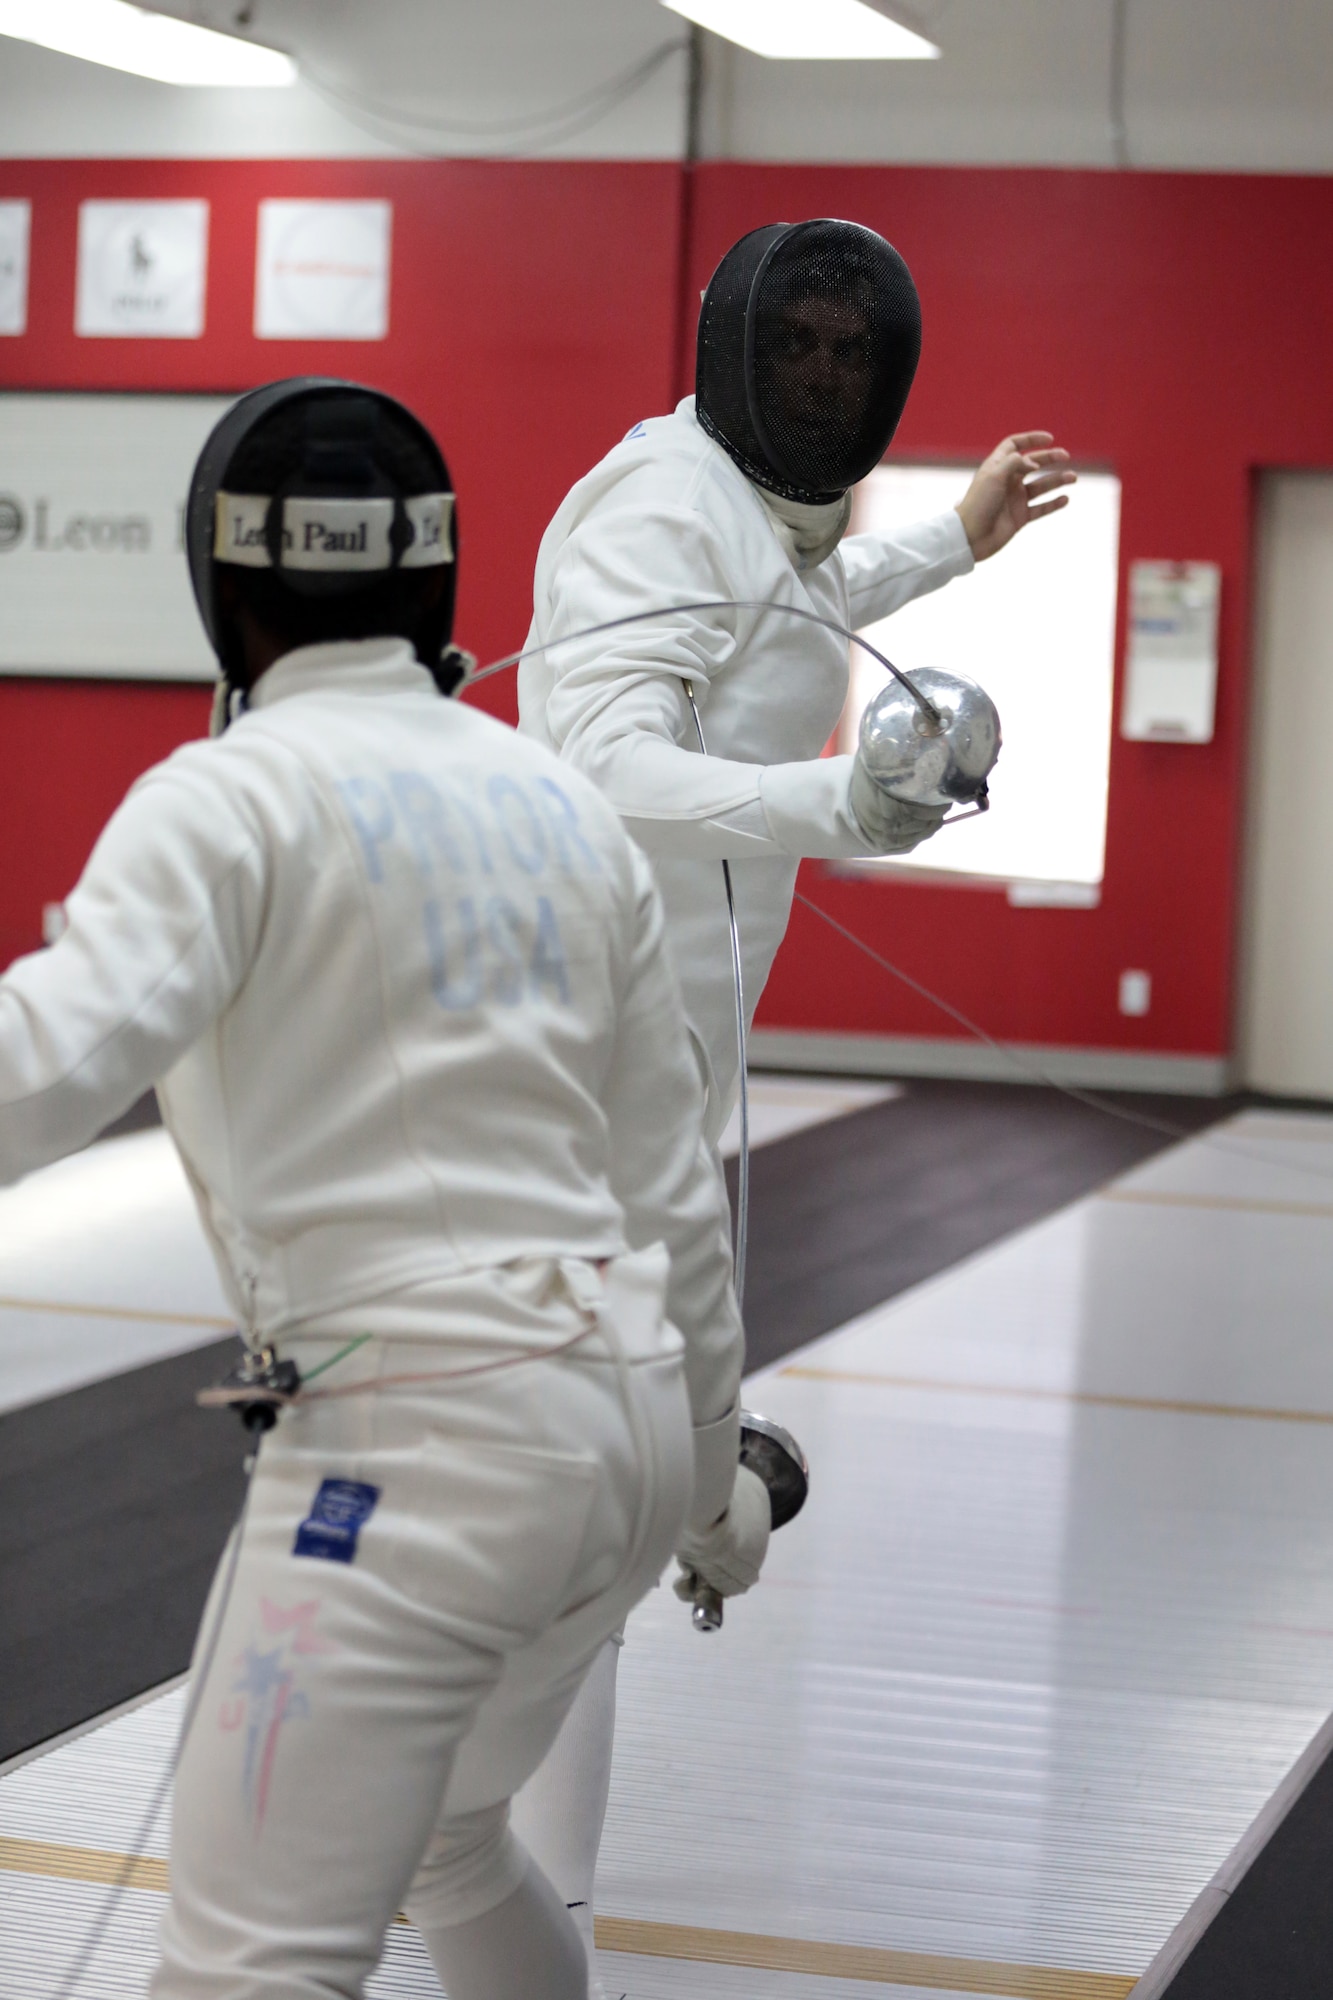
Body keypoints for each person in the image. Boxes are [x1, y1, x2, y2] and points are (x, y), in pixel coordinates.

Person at [0, 378, 764, 2000]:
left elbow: (37, 1065)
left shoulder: (227, 795)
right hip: (611, 1440)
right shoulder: (558, 802)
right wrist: (709, 1489)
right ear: (434, 578)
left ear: (225, 586)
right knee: (457, 1842)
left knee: (245, 1969)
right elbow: (673, 1212)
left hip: (415, 1453)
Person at [512, 218, 1076, 1991]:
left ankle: (502, 1887)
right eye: (804, 350)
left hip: (660, 1045)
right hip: (582, 1049)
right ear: (732, 349)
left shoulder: (757, 513)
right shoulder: (655, 505)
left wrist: (949, 542)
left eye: (857, 355)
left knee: (594, 1501)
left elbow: (795, 603)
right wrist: (843, 804)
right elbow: (600, 754)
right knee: (590, 1515)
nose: (830, 378)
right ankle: (514, 1905)